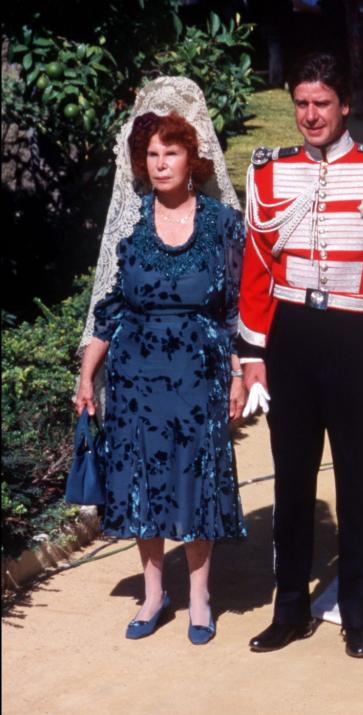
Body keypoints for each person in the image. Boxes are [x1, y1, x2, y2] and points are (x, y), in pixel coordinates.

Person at [237, 52, 363, 658]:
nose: (310, 115)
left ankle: (358, 614)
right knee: (292, 481)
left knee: (359, 485)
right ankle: (290, 608)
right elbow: (256, 265)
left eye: (322, 103)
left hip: (355, 335)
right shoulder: (270, 172)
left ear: (345, 105)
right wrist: (252, 356)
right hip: (291, 334)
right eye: (301, 103)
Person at [74, 77, 246, 646]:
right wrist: (87, 374)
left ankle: (199, 596)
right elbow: (111, 306)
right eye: (152, 154)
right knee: (142, 482)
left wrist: (241, 375)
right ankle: (154, 593)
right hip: (136, 372)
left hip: (200, 372)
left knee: (196, 480)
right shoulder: (134, 224)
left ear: (193, 159)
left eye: (171, 152)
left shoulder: (223, 223)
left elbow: (236, 308)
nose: (161, 163)